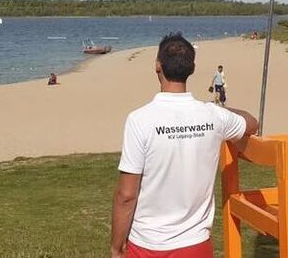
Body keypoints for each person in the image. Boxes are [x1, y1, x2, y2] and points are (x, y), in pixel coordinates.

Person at [110, 33, 258, 258]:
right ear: (192, 68)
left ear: (158, 66)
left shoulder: (139, 119)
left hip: (148, 244)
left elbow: (126, 195)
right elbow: (252, 123)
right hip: (195, 243)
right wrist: (218, 111)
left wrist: (116, 246)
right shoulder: (213, 116)